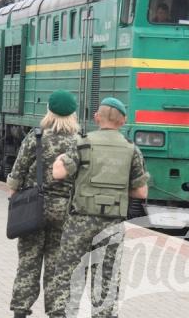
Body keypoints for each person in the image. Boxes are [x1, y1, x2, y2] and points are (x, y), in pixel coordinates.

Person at [48, 97, 149, 318]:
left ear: (96, 118)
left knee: (68, 273)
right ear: (123, 121)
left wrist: (60, 160)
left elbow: (58, 173)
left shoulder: (82, 144)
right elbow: (141, 192)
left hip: (80, 221)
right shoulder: (131, 150)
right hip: (112, 224)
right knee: (106, 279)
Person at [7, 90, 80, 318]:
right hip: (65, 211)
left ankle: (20, 310)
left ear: (49, 111)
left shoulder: (36, 136)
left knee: (28, 261)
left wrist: (14, 198)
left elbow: (17, 173)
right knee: (58, 266)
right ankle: (57, 312)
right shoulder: (79, 142)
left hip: (33, 208)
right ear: (73, 114)